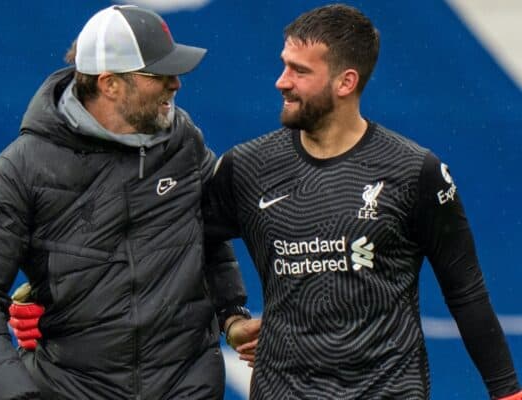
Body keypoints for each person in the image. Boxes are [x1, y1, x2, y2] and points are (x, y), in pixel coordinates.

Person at [203, 4, 522, 400]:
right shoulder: (246, 167)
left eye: (300, 71)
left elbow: (466, 293)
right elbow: (190, 243)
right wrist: (230, 316)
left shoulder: (414, 172)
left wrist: (507, 393)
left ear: (345, 82)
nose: (281, 82)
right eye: (285, 65)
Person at [0, 5, 258, 400]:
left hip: (187, 386)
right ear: (110, 84)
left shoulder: (184, 141)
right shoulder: (21, 168)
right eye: (158, 75)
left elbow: (208, 235)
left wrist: (231, 315)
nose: (176, 84)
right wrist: (20, 396)